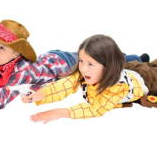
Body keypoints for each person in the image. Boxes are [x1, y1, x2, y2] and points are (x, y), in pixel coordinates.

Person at [22, 34, 154, 123]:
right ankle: (140, 59)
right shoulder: (87, 72)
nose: (84, 69)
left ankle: (142, 60)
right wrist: (38, 95)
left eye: (90, 64)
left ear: (108, 66)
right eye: (81, 61)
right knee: (133, 62)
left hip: (146, 80)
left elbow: (96, 108)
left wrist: (61, 113)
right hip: (129, 69)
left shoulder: (117, 87)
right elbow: (64, 85)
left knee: (149, 68)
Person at [0, 20, 78, 110]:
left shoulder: (21, 72)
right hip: (49, 58)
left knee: (89, 59)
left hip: (63, 64)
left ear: (16, 54)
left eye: (2, 47)